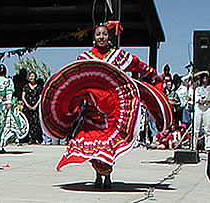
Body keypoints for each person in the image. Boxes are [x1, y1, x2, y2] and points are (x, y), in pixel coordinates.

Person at [40, 21, 170, 189]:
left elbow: (138, 65)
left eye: (104, 34)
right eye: (98, 34)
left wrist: (154, 75)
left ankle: (107, 175)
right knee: (93, 144)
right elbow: (76, 81)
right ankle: (98, 175)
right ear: (94, 38)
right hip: (92, 111)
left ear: (109, 37)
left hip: (113, 112)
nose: (101, 37)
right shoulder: (85, 58)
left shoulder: (119, 56)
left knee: (109, 145)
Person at [22, 71, 44, 144]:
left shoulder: (39, 87)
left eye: (33, 76)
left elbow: (40, 97)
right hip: (27, 107)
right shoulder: (26, 86)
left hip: (36, 107)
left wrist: (36, 105)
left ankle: (35, 138)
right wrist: (27, 105)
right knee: (27, 122)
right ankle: (27, 138)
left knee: (35, 123)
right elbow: (23, 97)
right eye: (30, 76)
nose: (31, 77)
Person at [193, 71, 209, 150]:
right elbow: (197, 98)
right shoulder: (198, 89)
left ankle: (208, 146)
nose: (205, 79)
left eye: (206, 78)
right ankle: (194, 145)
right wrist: (202, 100)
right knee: (196, 129)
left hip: (207, 107)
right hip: (199, 107)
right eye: (204, 78)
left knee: (207, 129)